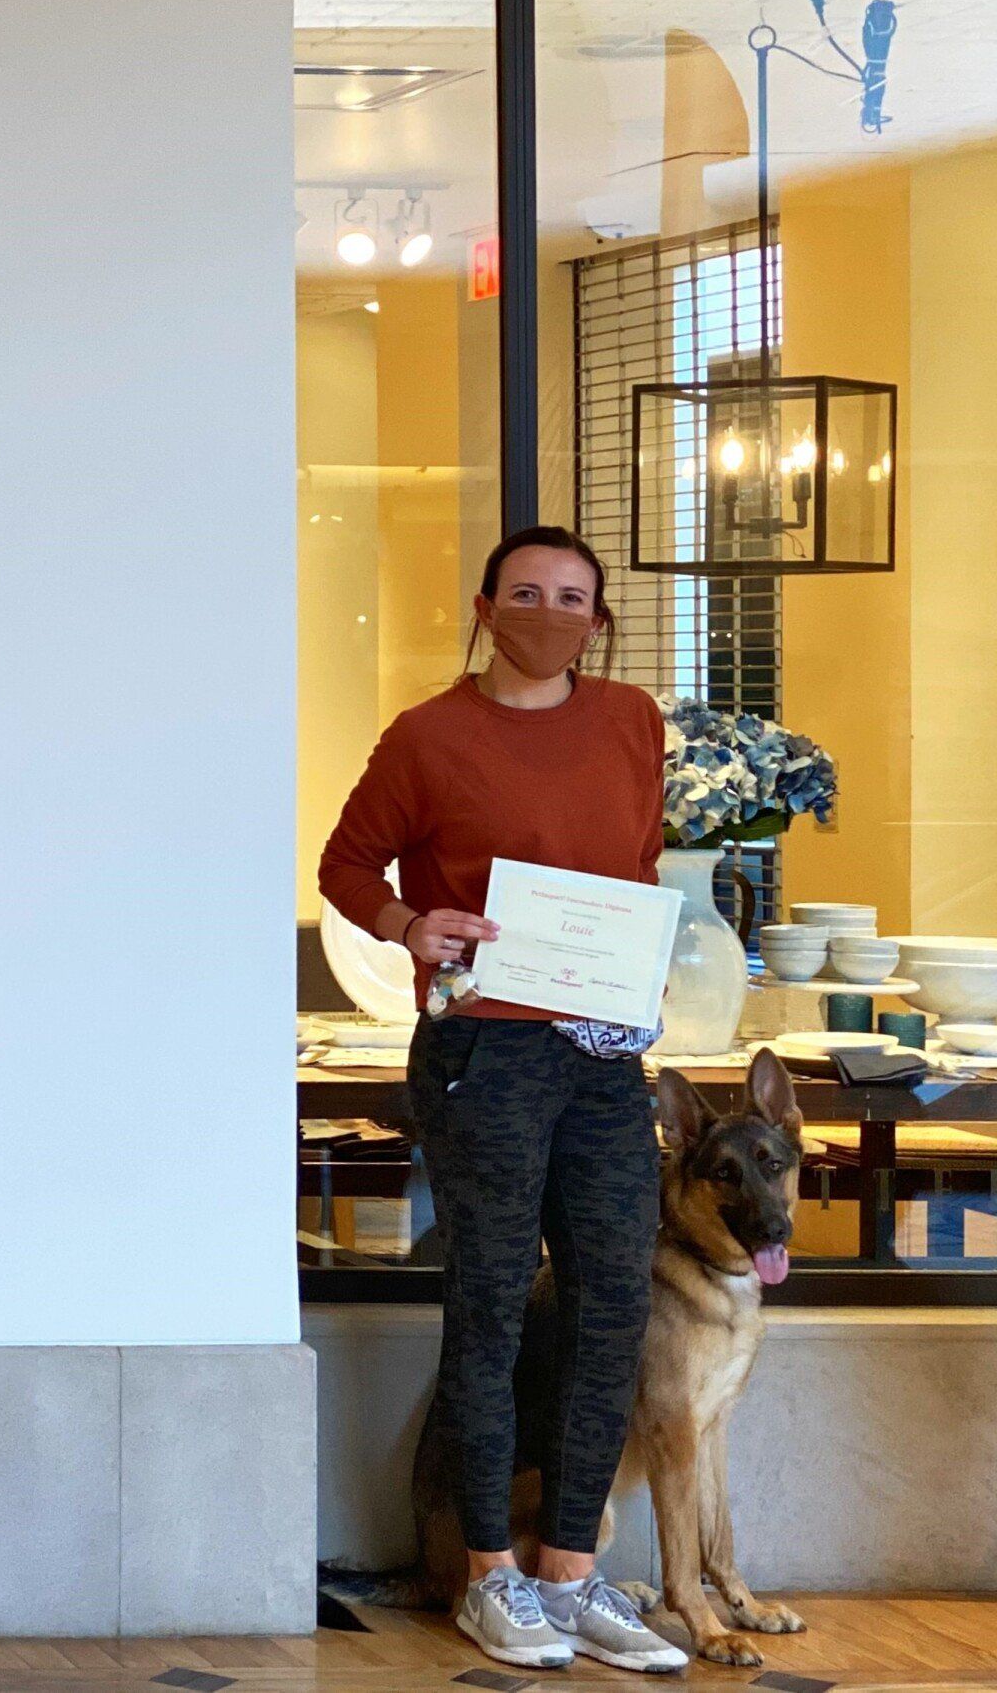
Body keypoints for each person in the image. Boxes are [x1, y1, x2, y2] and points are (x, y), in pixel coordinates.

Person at [319, 525, 687, 1675]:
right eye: (525, 592)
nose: (548, 611)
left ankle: (571, 1571)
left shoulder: (632, 721)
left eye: (572, 596)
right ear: (484, 606)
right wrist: (406, 925)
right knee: (487, 1301)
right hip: (485, 1047)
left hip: (601, 1047)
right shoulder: (429, 736)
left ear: (600, 617)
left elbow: (638, 862)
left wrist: (639, 965)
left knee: (611, 1300)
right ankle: (489, 1572)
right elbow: (346, 864)